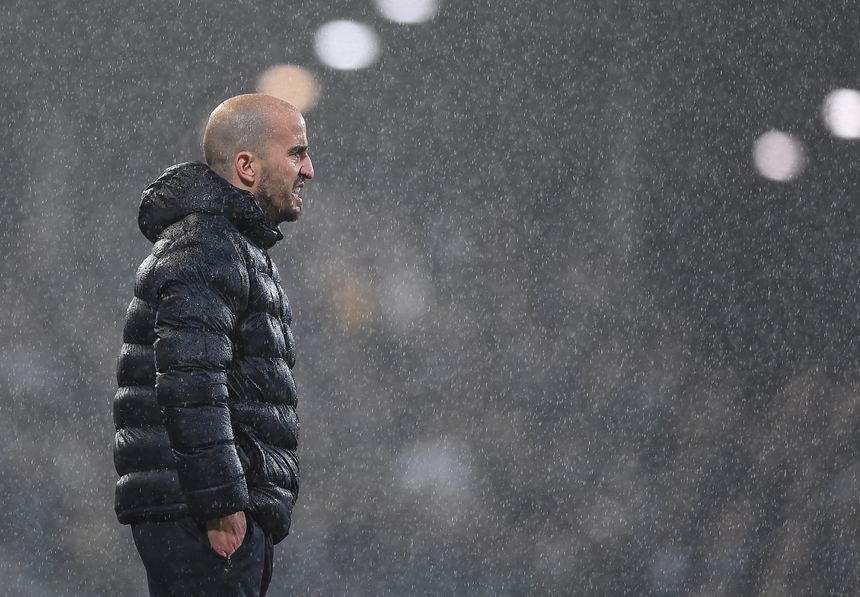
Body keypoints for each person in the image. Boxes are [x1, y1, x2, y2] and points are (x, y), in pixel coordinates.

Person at [112, 94, 314, 596]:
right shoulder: (208, 243)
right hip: (205, 516)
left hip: (210, 511)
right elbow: (189, 380)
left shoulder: (230, 243)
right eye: (295, 153)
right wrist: (222, 503)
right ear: (246, 166)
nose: (308, 169)